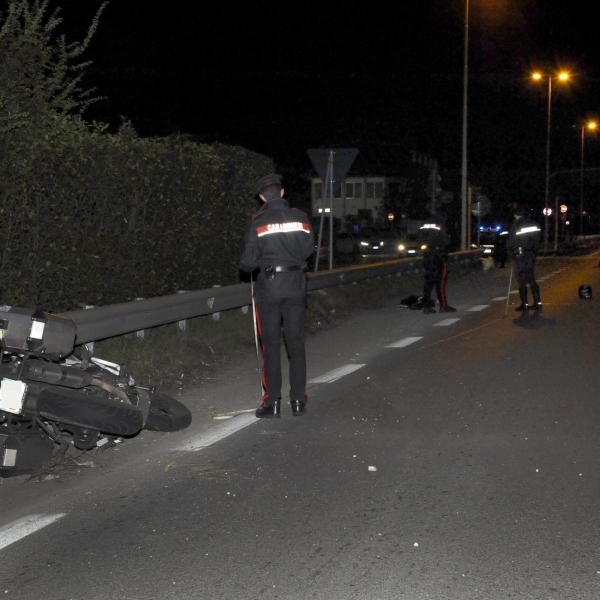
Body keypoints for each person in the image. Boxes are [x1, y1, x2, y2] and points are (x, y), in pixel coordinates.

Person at [240, 174, 315, 418]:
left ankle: (272, 403)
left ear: (262, 196)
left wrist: (260, 260)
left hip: (269, 289)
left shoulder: (258, 221)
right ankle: (298, 402)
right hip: (295, 285)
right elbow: (307, 250)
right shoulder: (301, 217)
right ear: (282, 192)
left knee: (270, 346)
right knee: (296, 345)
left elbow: (248, 263)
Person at [508, 205, 542, 312]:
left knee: (521, 280)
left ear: (516, 215)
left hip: (520, 255)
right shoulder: (534, 224)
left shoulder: (517, 224)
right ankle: (538, 302)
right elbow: (537, 240)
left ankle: (525, 304)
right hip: (530, 255)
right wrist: (533, 253)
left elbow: (512, 241)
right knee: (531, 278)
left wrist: (511, 254)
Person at [419, 222, 456, 314]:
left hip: (427, 258)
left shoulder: (425, 225)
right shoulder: (439, 224)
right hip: (439, 258)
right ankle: (443, 306)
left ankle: (427, 307)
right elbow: (447, 242)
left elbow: (420, 240)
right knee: (441, 284)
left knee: (428, 284)